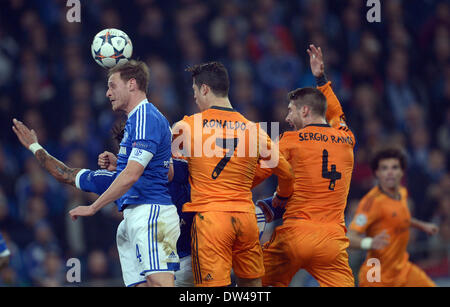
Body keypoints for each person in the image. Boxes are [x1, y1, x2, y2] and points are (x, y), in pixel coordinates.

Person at [13, 60, 180, 287]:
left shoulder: (145, 117)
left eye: (112, 86)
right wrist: (35, 147)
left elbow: (131, 175)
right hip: (133, 218)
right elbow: (165, 172)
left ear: (132, 84)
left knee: (160, 284)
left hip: (151, 212)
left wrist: (93, 207)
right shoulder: (136, 122)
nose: (107, 93)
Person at [172, 61, 294, 287]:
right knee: (251, 288)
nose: (195, 98)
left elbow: (170, 173)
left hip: (211, 222)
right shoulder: (254, 130)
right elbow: (286, 173)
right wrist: (280, 199)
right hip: (246, 220)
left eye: (195, 92)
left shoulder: (186, 127)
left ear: (205, 89)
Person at [255, 45, 356, 287]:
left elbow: (258, 173)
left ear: (305, 110)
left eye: (290, 111)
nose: (287, 118)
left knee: (252, 283)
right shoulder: (346, 139)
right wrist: (321, 79)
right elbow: (335, 113)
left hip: (295, 236)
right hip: (333, 242)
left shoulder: (290, 140)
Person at [347, 147, 439, 287]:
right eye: (384, 168)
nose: (390, 172)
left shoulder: (402, 193)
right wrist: (370, 243)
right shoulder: (371, 203)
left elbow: (399, 217)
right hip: (376, 273)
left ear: (402, 172)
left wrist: (422, 225)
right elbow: (349, 238)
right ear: (377, 173)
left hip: (402, 268)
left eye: (394, 167)